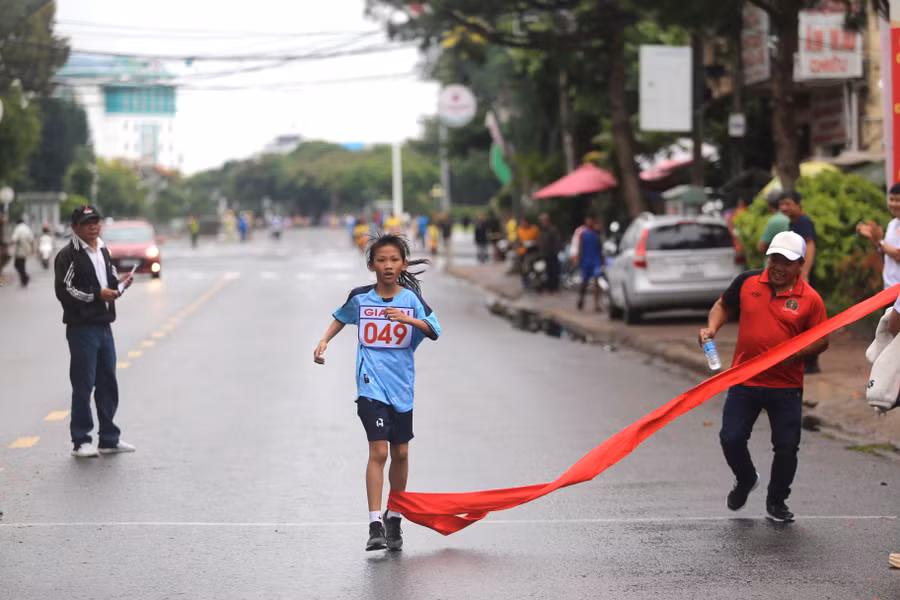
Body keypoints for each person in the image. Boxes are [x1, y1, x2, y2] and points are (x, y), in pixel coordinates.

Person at [313, 233, 440, 552]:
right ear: (371, 264)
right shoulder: (360, 298)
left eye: (394, 260)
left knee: (401, 454)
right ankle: (374, 525)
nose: (387, 265)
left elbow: (434, 330)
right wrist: (324, 341)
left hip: (402, 389)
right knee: (379, 453)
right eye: (381, 260)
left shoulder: (410, 299)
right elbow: (340, 317)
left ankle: (393, 516)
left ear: (403, 264)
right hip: (370, 387)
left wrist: (407, 319)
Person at [699, 231, 828, 523]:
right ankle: (745, 479)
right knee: (731, 438)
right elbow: (723, 306)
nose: (778, 266)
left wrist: (797, 354)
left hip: (786, 385)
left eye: (786, 261)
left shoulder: (810, 299)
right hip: (745, 379)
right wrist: (711, 329)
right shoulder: (747, 282)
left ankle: (777, 500)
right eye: (774, 258)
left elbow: (822, 339)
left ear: (800, 265)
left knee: (786, 445)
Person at [54, 205, 136, 458]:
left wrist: (119, 286)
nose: (93, 226)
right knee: (83, 384)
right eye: (87, 222)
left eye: (96, 221)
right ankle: (81, 440)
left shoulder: (103, 250)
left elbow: (109, 282)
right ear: (75, 227)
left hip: (104, 325)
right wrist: (96, 295)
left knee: (107, 382)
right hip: (82, 328)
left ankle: (109, 438)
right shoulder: (68, 255)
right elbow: (65, 291)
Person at [779, 190, 821, 374]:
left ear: (798, 204)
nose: (784, 208)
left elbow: (810, 246)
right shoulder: (792, 222)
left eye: (788, 204)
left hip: (805, 277)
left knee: (808, 320)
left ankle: (812, 362)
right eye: (782, 204)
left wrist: (804, 274)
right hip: (797, 276)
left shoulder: (804, 222)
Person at [573, 214, 603, 311]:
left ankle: (597, 304)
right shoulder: (582, 233)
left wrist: (602, 258)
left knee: (596, 281)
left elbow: (600, 245)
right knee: (584, 282)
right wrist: (578, 258)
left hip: (596, 259)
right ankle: (581, 299)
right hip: (586, 260)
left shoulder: (597, 232)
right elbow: (580, 247)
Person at [757, 189, 790, 254]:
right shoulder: (790, 215)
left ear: (769, 204)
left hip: (777, 262)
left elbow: (761, 247)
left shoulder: (775, 221)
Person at [538, 213, 562, 293]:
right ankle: (550, 288)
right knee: (548, 272)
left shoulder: (553, 229)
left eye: (544, 221)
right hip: (545, 254)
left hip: (553, 254)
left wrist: (556, 251)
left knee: (554, 271)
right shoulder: (542, 231)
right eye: (542, 221)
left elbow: (557, 241)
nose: (543, 223)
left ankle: (555, 287)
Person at [10, 218, 35, 288]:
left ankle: (25, 278)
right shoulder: (27, 228)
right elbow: (32, 239)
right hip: (26, 248)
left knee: (17, 265)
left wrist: (10, 245)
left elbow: (14, 238)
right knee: (22, 264)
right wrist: (33, 250)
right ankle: (24, 279)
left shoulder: (18, 228)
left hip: (20, 247)